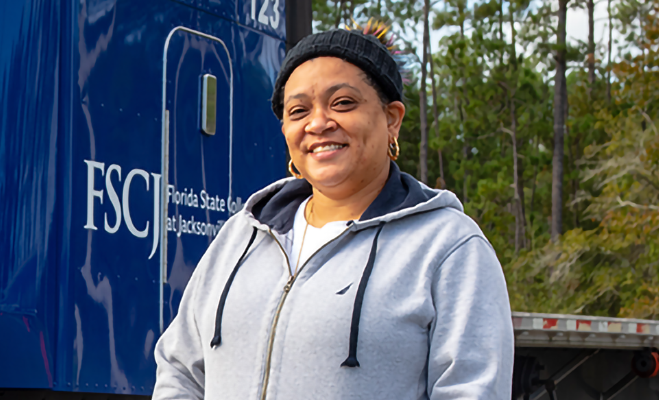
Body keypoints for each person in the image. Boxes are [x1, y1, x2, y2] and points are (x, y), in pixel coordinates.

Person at [152, 27, 513, 399]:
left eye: (342, 103)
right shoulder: (241, 236)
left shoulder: (448, 246)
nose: (318, 123)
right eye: (298, 111)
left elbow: (471, 390)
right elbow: (180, 369)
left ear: (392, 119)